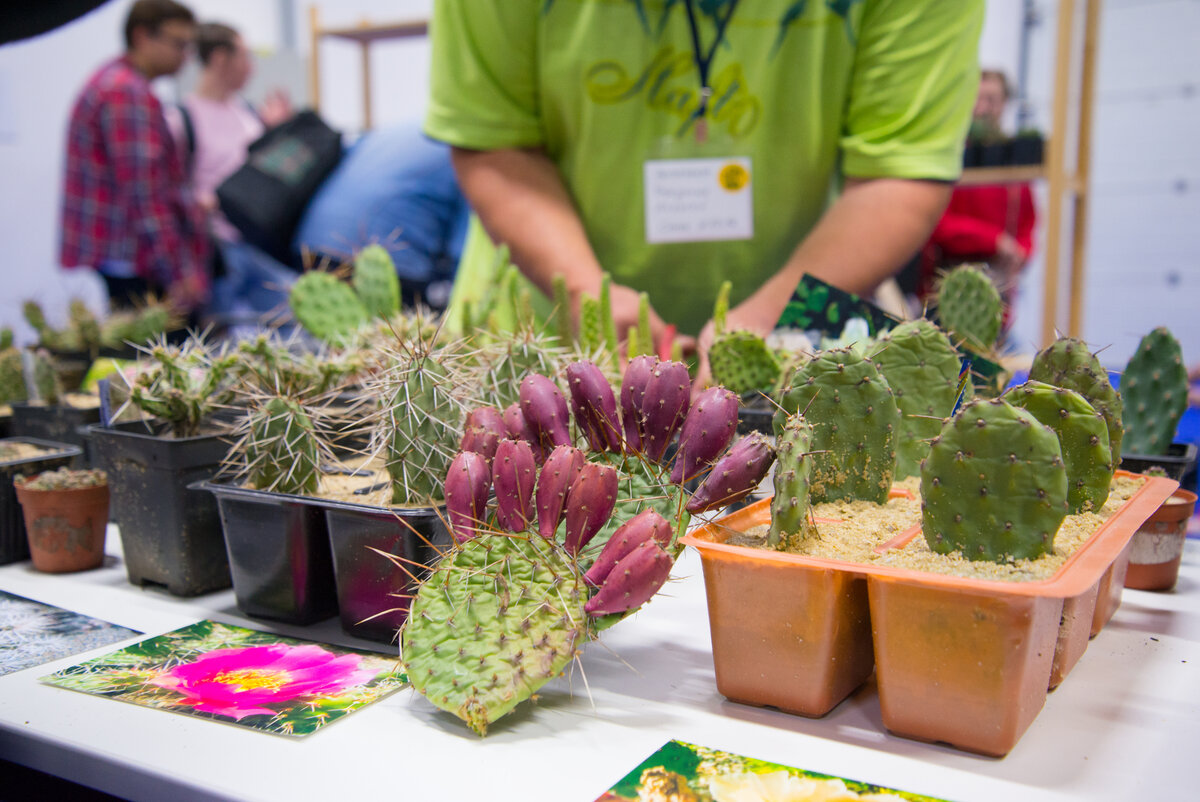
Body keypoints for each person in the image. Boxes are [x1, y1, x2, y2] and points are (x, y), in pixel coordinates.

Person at [426, 1, 984, 380]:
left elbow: (899, 170)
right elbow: (493, 139)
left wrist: (769, 317)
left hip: (790, 345)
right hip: (538, 337)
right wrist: (581, 295)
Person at [60, 0, 209, 316]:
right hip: (132, 260)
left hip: (124, 255)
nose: (185, 56)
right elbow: (145, 193)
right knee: (152, 360)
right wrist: (179, 272)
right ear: (142, 36)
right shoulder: (125, 93)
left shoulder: (118, 81)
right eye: (178, 44)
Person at [164, 22, 296, 330]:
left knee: (294, 321)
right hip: (217, 249)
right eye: (245, 57)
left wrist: (276, 130)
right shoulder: (181, 119)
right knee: (235, 337)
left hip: (257, 241)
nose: (251, 68)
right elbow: (167, 189)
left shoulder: (247, 113)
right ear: (221, 58)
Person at [293, 122, 470, 311]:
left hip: (306, 246)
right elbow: (462, 250)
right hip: (382, 263)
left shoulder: (405, 127)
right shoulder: (469, 151)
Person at [919, 70, 1037, 327]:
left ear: (1004, 104)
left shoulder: (1012, 164)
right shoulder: (948, 157)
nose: (982, 108)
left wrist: (1021, 254)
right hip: (947, 287)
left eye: (992, 100)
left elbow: (1028, 223)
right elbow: (937, 223)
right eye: (977, 98)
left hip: (997, 293)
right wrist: (994, 240)